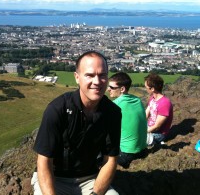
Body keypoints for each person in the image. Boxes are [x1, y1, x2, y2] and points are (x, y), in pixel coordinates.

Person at [31, 51, 122, 195]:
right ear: (77, 78)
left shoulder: (113, 113)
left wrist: (95, 194)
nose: (97, 82)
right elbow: (44, 161)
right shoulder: (57, 109)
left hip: (90, 179)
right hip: (55, 178)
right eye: (90, 75)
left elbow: (110, 158)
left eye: (102, 75)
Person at [107, 72, 147, 168]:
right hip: (143, 150)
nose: (108, 89)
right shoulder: (137, 100)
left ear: (122, 89)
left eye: (112, 87)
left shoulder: (115, 105)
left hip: (127, 154)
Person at [144, 73, 173, 145]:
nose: (145, 89)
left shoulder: (165, 103)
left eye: (146, 87)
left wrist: (142, 132)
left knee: (137, 139)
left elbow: (157, 126)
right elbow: (146, 114)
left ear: (152, 89)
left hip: (159, 134)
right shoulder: (152, 98)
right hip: (149, 127)